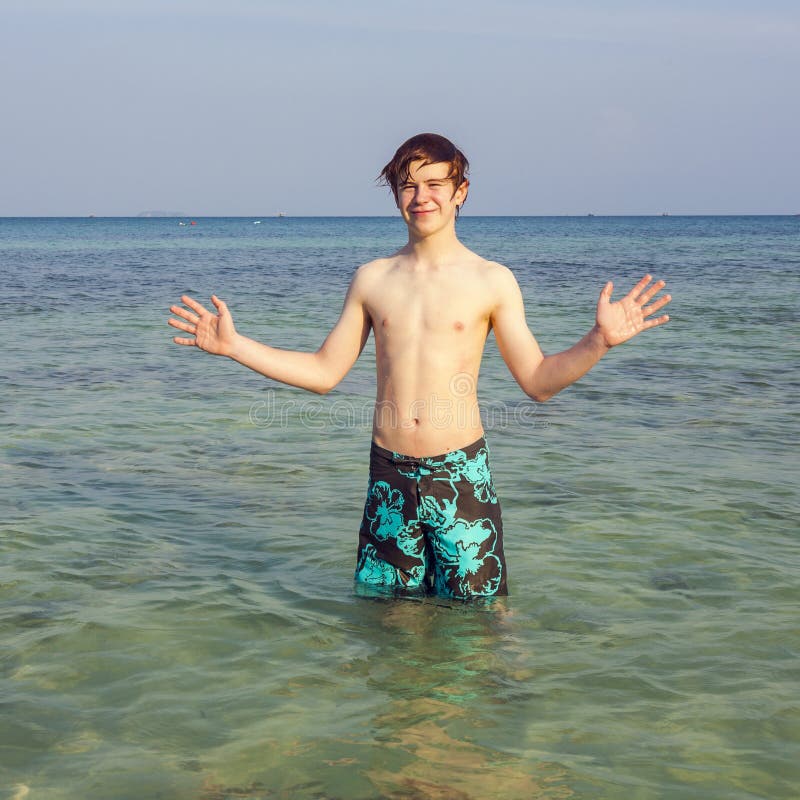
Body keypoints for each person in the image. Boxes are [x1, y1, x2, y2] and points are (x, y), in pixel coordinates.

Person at [168, 133, 671, 600]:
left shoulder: (492, 281)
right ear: (395, 196)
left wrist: (598, 341)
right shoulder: (372, 279)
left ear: (461, 192)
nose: (421, 197)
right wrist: (237, 347)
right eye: (408, 186)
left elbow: (538, 381)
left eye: (435, 184)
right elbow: (324, 373)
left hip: (461, 473)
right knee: (388, 619)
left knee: (478, 620)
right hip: (388, 474)